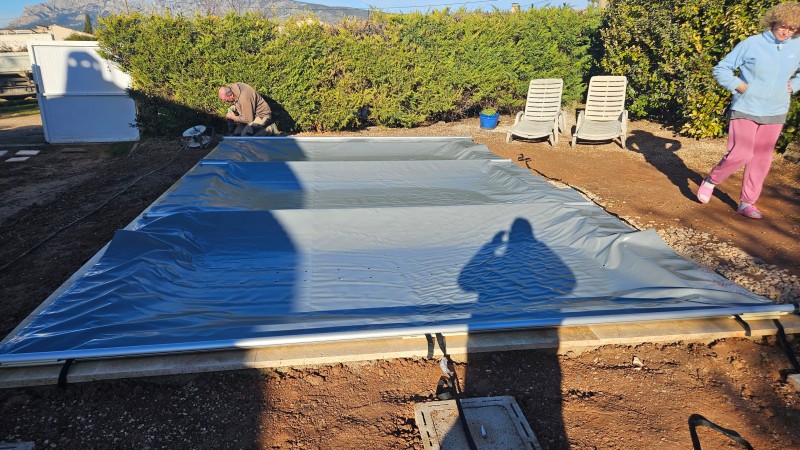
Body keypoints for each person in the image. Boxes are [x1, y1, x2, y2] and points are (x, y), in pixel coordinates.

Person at [696, 2, 800, 219]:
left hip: (776, 110)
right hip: (746, 106)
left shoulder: (797, 46)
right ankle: (711, 180)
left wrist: (795, 85)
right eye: (783, 26)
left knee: (761, 159)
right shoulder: (752, 44)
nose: (786, 32)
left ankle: (747, 202)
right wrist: (739, 86)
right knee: (741, 153)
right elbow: (722, 68)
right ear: (773, 22)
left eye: (792, 29)